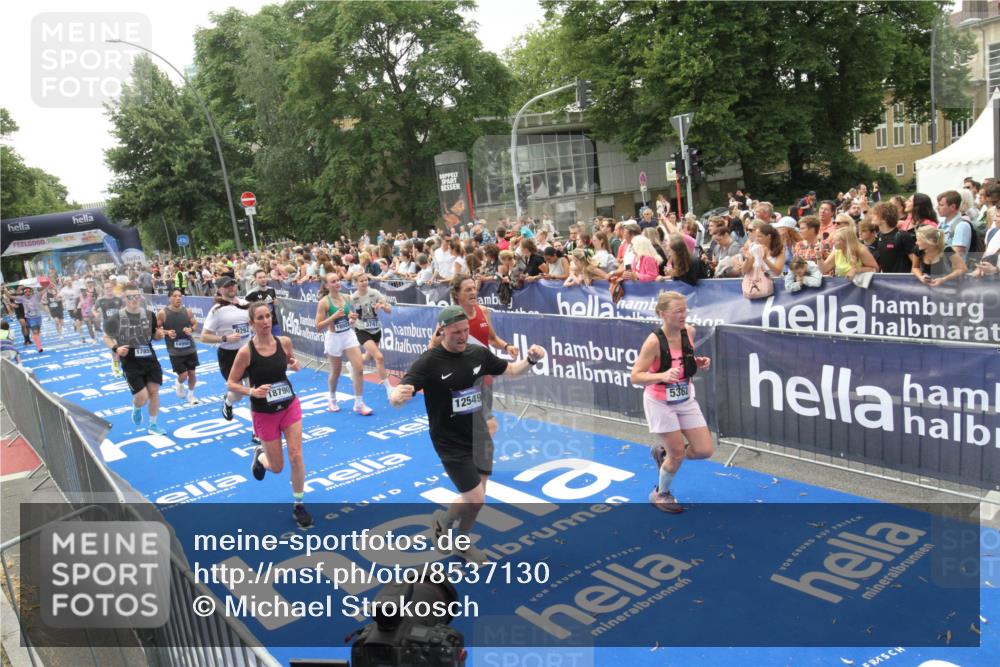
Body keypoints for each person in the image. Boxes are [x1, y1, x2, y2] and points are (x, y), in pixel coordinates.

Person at [390, 305, 546, 563]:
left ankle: (447, 524)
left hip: (479, 434)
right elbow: (400, 393)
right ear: (441, 332)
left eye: (465, 331)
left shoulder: (477, 353)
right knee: (475, 499)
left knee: (475, 500)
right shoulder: (429, 362)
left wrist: (530, 360)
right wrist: (397, 396)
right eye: (456, 333)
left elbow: (511, 371)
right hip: (449, 441)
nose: (463, 336)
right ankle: (457, 536)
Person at [227, 301, 312, 528]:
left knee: (296, 455)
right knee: (277, 467)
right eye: (260, 318)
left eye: (268, 316)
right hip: (264, 413)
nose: (266, 322)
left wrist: (293, 364)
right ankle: (261, 456)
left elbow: (289, 360)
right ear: (252, 323)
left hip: (289, 405)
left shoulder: (284, 342)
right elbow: (231, 383)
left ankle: (299, 504)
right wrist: (252, 391)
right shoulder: (246, 352)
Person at [630, 292, 712, 513]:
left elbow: (682, 359)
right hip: (660, 402)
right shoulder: (653, 341)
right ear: (662, 314)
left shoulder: (690, 332)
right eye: (678, 311)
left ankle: (664, 454)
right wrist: (662, 376)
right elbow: (636, 376)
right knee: (677, 454)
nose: (683, 315)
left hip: (685, 398)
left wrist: (697, 361)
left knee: (704, 450)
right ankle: (661, 493)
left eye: (685, 310)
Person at [102, 284, 166, 434]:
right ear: (125, 299)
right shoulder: (116, 318)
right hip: (131, 363)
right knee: (141, 397)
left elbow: (154, 335)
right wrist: (116, 348)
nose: (134, 300)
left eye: (137, 296)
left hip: (149, 358)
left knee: (154, 390)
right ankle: (137, 408)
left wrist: (159, 335)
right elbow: (106, 337)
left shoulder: (150, 314)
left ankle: (153, 425)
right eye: (130, 297)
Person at [315, 273, 373, 415]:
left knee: (359, 368)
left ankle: (359, 403)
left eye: (338, 280)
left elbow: (350, 318)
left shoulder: (347, 297)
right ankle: (332, 398)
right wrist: (333, 316)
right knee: (336, 371)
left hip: (348, 335)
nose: (337, 283)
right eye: (333, 281)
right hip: (334, 338)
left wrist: (352, 318)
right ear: (327, 285)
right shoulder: (324, 302)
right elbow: (318, 326)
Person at [201, 276, 254, 423]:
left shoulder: (245, 304)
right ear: (219, 290)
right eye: (226, 286)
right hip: (229, 355)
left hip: (248, 352)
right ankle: (228, 402)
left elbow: (253, 324)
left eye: (233, 285)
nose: (231, 288)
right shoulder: (216, 310)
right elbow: (204, 337)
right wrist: (225, 338)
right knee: (238, 394)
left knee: (253, 392)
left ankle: (257, 432)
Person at [350, 273, 393, 399]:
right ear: (356, 283)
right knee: (379, 357)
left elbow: (389, 309)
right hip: (362, 330)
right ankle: (389, 388)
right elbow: (348, 313)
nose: (364, 282)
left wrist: (382, 306)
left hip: (375, 329)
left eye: (366, 280)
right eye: (361, 281)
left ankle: (352, 364)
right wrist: (351, 318)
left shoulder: (375, 293)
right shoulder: (353, 298)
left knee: (368, 357)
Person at [158, 288, 200, 405]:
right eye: (175, 296)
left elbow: (195, 324)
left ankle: (191, 395)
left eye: (180, 296)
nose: (178, 298)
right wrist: (167, 332)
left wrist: (191, 329)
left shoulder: (188, 311)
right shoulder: (163, 313)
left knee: (192, 373)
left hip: (190, 348)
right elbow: (156, 328)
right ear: (169, 298)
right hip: (175, 351)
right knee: (183, 375)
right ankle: (179, 382)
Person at [871, 202, 917, 274]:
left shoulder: (903, 236)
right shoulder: (879, 235)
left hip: (902, 282)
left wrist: (909, 280)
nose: (872, 216)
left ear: (884, 218)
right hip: (887, 281)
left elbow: (916, 263)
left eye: (875, 214)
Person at [244, 269, 282, 336]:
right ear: (255, 279)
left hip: (273, 322)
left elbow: (274, 305)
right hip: (260, 325)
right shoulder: (251, 293)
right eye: (260, 278)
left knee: (277, 343)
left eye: (264, 277)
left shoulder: (271, 290)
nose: (263, 279)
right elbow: (246, 310)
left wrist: (275, 303)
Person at [16, 286, 44, 353]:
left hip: (38, 317)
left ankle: (33, 339)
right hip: (28, 317)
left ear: (31, 292)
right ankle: (39, 347)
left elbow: (42, 292)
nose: (27, 292)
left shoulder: (35, 297)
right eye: (26, 292)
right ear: (24, 293)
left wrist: (48, 285)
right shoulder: (21, 298)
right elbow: (10, 297)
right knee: (34, 331)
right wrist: (4, 290)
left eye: (29, 291)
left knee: (37, 332)